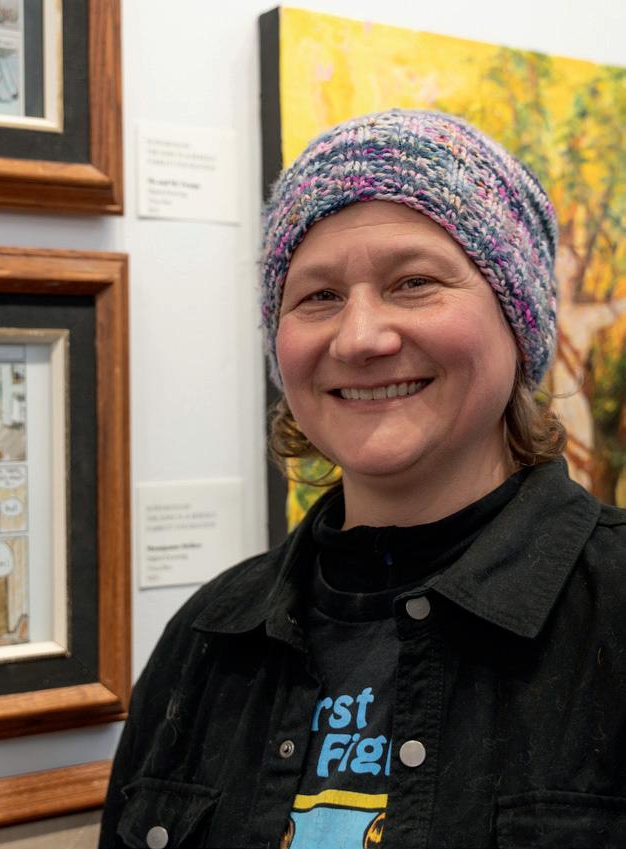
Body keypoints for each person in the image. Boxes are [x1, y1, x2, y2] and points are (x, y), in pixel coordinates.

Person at [99, 110, 626, 849]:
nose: (360, 337)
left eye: (414, 282)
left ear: (518, 318)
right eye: (319, 296)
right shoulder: (208, 636)